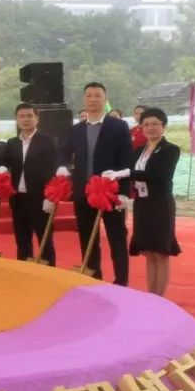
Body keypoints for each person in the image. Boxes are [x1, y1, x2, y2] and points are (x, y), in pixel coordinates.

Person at [63, 82, 133, 284]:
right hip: (84, 194)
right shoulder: (76, 130)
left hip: (111, 193)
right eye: (89, 95)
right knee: (87, 239)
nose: (93, 99)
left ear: (105, 99)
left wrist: (124, 192)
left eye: (97, 95)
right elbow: (63, 153)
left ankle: (121, 282)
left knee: (116, 238)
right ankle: (94, 279)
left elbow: (126, 160)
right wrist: (62, 168)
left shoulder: (118, 126)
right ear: (84, 99)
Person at [128, 107, 180, 296]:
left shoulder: (170, 150)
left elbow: (158, 175)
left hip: (160, 205)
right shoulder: (138, 151)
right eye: (146, 124)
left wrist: (128, 173)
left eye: (155, 124)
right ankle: (151, 295)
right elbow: (131, 174)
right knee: (148, 252)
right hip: (142, 205)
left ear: (163, 126)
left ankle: (160, 298)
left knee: (160, 252)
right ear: (141, 127)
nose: (150, 128)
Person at [2, 104, 59, 265]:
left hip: (41, 199)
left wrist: (50, 197)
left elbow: (53, 170)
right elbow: (4, 161)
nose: (25, 119)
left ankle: (49, 273)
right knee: (22, 241)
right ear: (17, 119)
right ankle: (25, 271)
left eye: (29, 116)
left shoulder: (48, 141)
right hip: (18, 199)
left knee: (45, 241)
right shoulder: (12, 143)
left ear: (37, 118)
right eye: (21, 116)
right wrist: (2, 167)